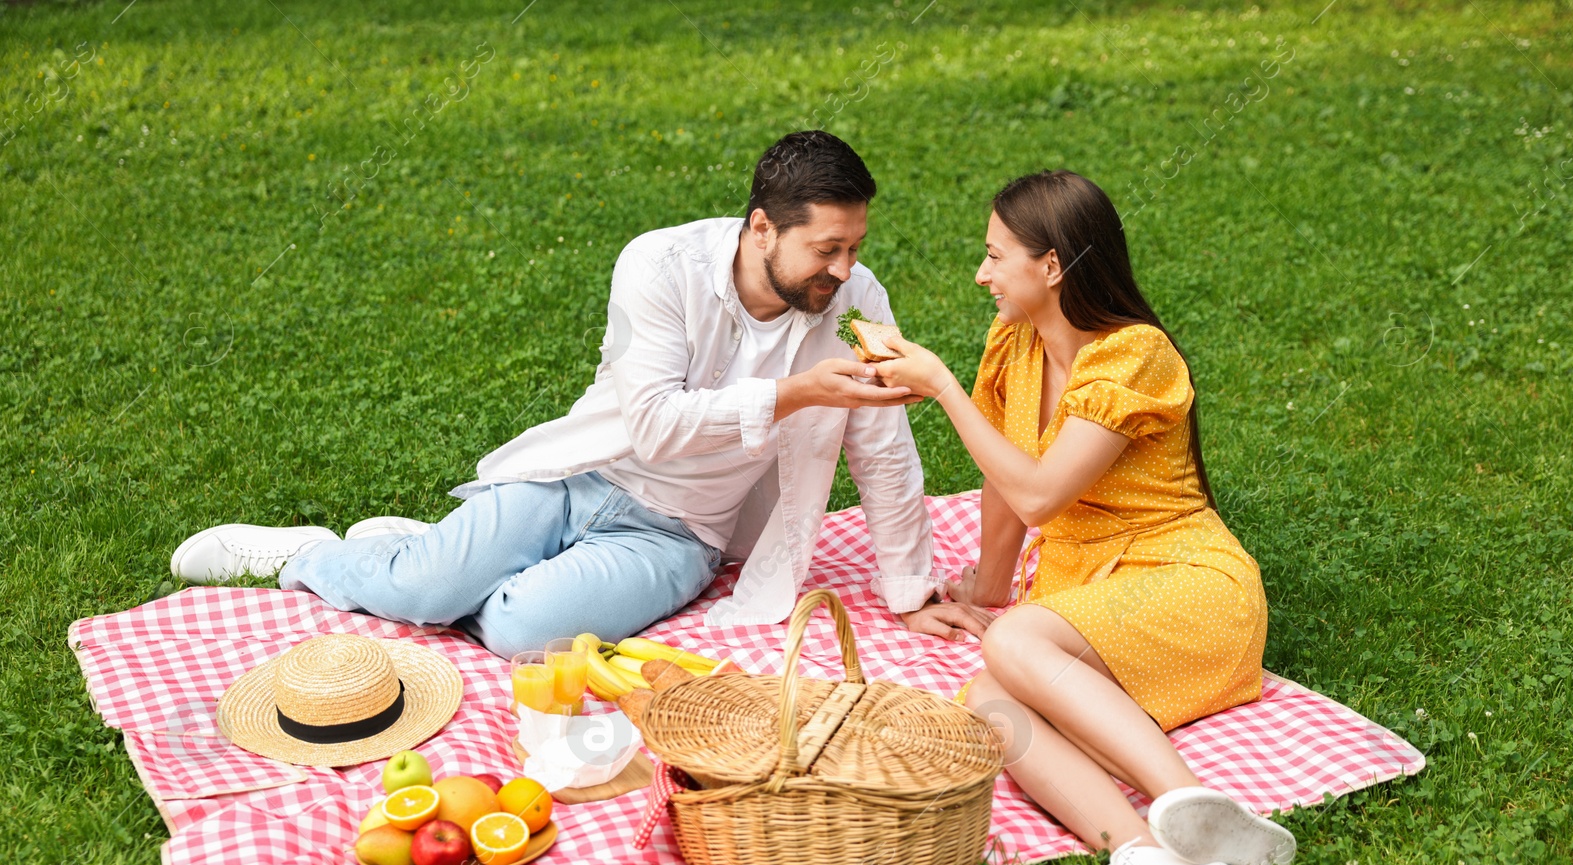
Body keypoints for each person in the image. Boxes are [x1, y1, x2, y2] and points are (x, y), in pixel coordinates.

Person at [170, 131, 992, 657]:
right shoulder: (659, 265)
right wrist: (798, 391)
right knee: (425, 594)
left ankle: (438, 555)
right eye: (828, 248)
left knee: (522, 631)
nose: (844, 269)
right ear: (762, 228)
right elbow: (654, 424)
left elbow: (884, 449)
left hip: (679, 535)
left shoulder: (851, 298)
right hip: (581, 478)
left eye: (855, 246)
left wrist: (909, 588)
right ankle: (313, 555)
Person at [870, 170, 1296, 865]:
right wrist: (990, 590)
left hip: (1189, 586)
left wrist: (940, 385)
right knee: (989, 700)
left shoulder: (1135, 354)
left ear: (1054, 265)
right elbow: (1001, 480)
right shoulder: (1016, 344)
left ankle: (1194, 804)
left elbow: (1039, 496)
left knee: (1017, 641)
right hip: (1093, 600)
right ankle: (1143, 855)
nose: (981, 272)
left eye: (996, 256)